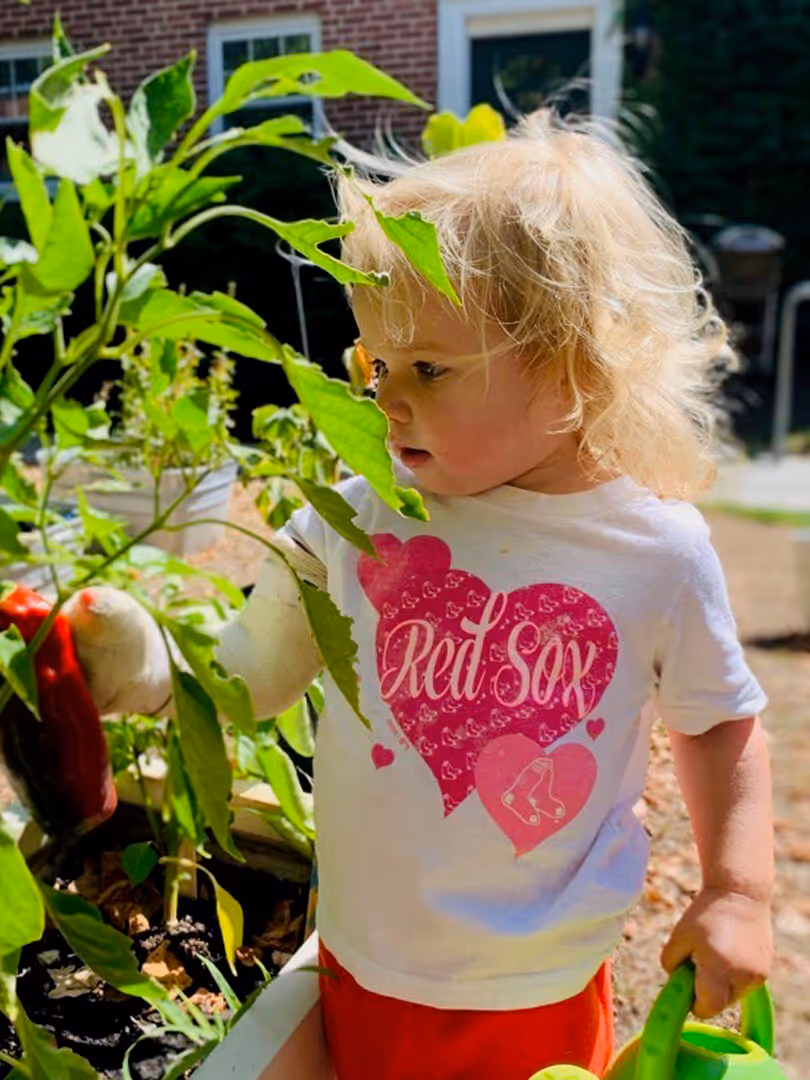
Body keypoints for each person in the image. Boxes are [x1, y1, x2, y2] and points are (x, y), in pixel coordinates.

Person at [64, 107, 774, 1080]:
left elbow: (718, 723)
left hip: (535, 986)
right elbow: (251, 676)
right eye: (379, 365)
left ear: (569, 362)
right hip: (366, 957)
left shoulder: (652, 550)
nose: (387, 400)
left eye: (429, 369)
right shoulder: (363, 512)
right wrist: (143, 666)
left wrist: (736, 888)